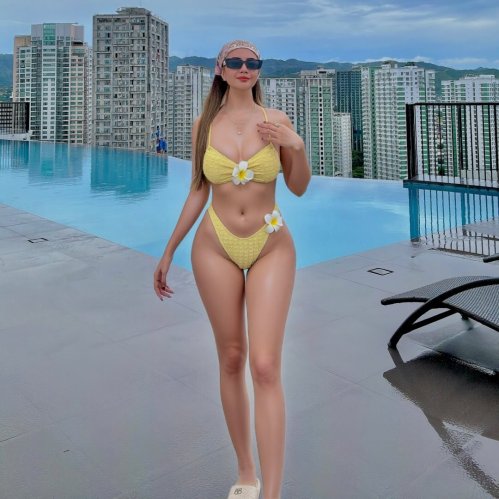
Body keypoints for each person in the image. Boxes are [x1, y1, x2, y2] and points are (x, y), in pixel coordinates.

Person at [153, 39, 311, 499]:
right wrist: (168, 250)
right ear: (220, 69)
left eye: (253, 61)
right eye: (236, 61)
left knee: (265, 365)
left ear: (259, 69)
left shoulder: (277, 121)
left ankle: (272, 493)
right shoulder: (203, 124)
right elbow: (198, 191)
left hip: (271, 244)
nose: (245, 67)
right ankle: (246, 472)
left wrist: (296, 146)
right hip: (214, 246)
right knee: (231, 358)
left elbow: (298, 187)